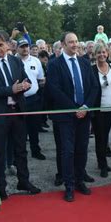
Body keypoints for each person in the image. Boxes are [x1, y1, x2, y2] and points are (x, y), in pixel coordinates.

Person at [0, 30, 41, 200]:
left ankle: (24, 181)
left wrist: (25, 85)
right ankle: (0, 187)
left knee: (21, 149)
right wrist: (10, 90)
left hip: (18, 112)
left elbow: (26, 79)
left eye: (0, 44)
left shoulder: (15, 61)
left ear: (8, 44)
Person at [46, 32, 98, 202]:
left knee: (82, 149)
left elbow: (94, 87)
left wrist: (85, 107)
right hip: (65, 116)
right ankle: (69, 186)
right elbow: (54, 90)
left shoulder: (84, 62)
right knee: (67, 151)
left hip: (84, 114)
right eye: (70, 42)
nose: (74, 45)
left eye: (76, 41)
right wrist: (73, 108)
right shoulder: (54, 65)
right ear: (63, 44)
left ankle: (79, 181)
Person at [16, 39, 46, 160]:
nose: (25, 49)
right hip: (19, 100)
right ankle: (19, 153)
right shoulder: (13, 61)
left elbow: (40, 78)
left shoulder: (36, 61)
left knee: (34, 127)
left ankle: (35, 150)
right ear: (17, 48)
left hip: (34, 99)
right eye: (22, 46)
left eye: (26, 46)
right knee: (20, 129)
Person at [91, 42, 111, 177]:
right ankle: (102, 164)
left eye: (103, 52)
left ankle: (103, 161)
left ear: (107, 53)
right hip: (99, 110)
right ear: (94, 55)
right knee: (100, 138)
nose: (101, 55)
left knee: (108, 135)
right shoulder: (91, 69)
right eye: (98, 52)